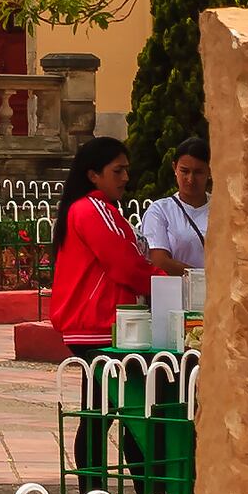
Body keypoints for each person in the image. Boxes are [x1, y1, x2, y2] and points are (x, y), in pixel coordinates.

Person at [47, 135, 141, 359]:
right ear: (93, 175)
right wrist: (166, 280)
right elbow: (125, 265)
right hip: (97, 322)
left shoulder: (87, 208)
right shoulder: (92, 209)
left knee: (97, 392)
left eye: (126, 170)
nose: (125, 178)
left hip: (91, 322)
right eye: (117, 171)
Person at [134, 136, 211, 274]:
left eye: (198, 172)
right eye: (184, 171)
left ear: (210, 171)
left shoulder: (224, 208)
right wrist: (204, 279)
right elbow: (159, 261)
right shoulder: (160, 211)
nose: (190, 179)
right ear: (175, 168)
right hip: (177, 292)